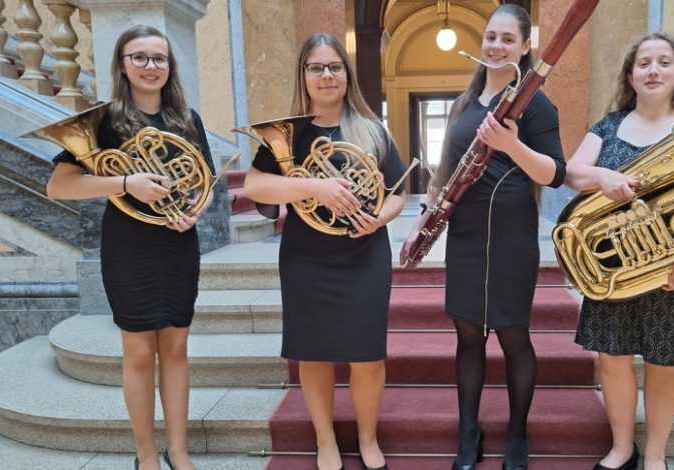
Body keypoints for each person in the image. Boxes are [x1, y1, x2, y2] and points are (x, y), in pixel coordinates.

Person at [399, 5, 566, 470]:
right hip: (467, 235)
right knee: (468, 335)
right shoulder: (463, 104)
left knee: (514, 336)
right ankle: (468, 433)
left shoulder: (536, 103)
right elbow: (444, 174)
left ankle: (517, 433)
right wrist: (420, 221)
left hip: (513, 234)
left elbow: (555, 173)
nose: (496, 46)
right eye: (491, 37)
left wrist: (512, 145)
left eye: (507, 39)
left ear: (526, 46)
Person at [46, 25, 215, 470]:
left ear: (170, 67)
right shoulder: (103, 120)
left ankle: (178, 450)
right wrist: (125, 182)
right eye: (139, 57)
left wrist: (195, 209)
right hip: (129, 246)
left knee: (176, 349)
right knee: (139, 352)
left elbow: (206, 181)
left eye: (159, 58)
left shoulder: (186, 119)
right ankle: (146, 454)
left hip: (178, 243)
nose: (150, 66)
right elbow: (59, 186)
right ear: (122, 64)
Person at [564, 32, 674, 470]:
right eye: (643, 63)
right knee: (612, 358)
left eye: (663, 62)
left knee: (665, 359)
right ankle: (622, 448)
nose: (653, 70)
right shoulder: (608, 126)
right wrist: (601, 177)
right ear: (630, 75)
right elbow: (572, 172)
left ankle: (655, 454)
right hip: (616, 266)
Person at [244, 33, 406, 470]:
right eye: (316, 67)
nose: (326, 75)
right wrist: (314, 186)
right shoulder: (288, 134)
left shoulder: (371, 130)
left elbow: (397, 194)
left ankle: (368, 440)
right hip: (307, 257)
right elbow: (255, 186)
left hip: (364, 254)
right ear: (304, 75)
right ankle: (326, 441)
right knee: (313, 354)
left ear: (346, 73)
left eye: (334, 66)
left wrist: (381, 218)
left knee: (367, 356)